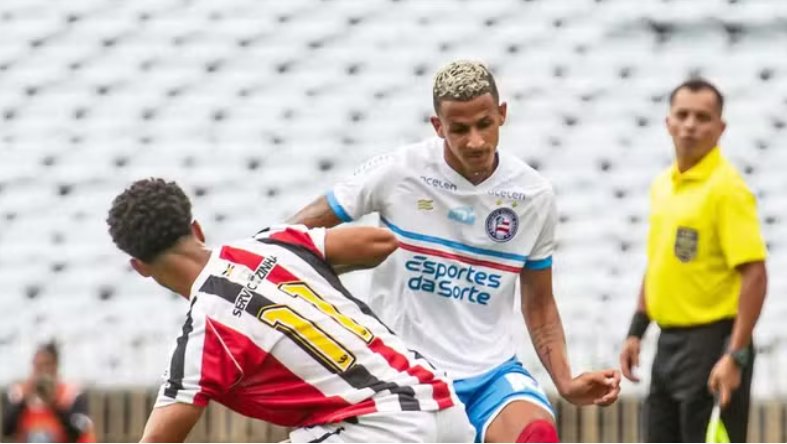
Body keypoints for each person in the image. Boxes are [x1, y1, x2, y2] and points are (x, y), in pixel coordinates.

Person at [288, 60, 621, 443]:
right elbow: (294, 231)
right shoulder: (399, 171)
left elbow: (539, 303)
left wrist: (565, 380)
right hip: (400, 373)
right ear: (437, 127)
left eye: (485, 124)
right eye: (459, 130)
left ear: (502, 114)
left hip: (489, 374)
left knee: (536, 435)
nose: (475, 142)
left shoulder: (533, 195)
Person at [105, 178, 474, 443]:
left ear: (139, 267)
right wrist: (299, 257)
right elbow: (379, 242)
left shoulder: (204, 335)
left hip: (379, 428)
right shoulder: (275, 243)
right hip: (444, 408)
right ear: (196, 229)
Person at [619, 78, 768, 443]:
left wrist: (735, 354)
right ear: (667, 121)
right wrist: (637, 330)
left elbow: (755, 275)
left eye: (702, 117)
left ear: (720, 128)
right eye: (682, 114)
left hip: (713, 342)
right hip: (669, 344)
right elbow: (657, 263)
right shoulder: (663, 186)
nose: (690, 124)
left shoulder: (727, 189)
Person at [2, 342, 95, 443]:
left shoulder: (72, 394)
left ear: (56, 366)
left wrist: (54, 404)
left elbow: (79, 434)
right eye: (37, 365)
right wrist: (24, 400)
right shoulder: (19, 393)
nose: (41, 371)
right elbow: (7, 430)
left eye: (46, 365)